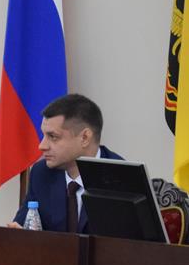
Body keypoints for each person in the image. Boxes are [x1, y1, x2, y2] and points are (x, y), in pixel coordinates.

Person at [10, 93, 122, 232]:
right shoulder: (41, 173)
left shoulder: (121, 179)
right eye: (43, 135)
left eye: (53, 137)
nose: (42, 146)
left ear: (85, 138)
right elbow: (22, 229)